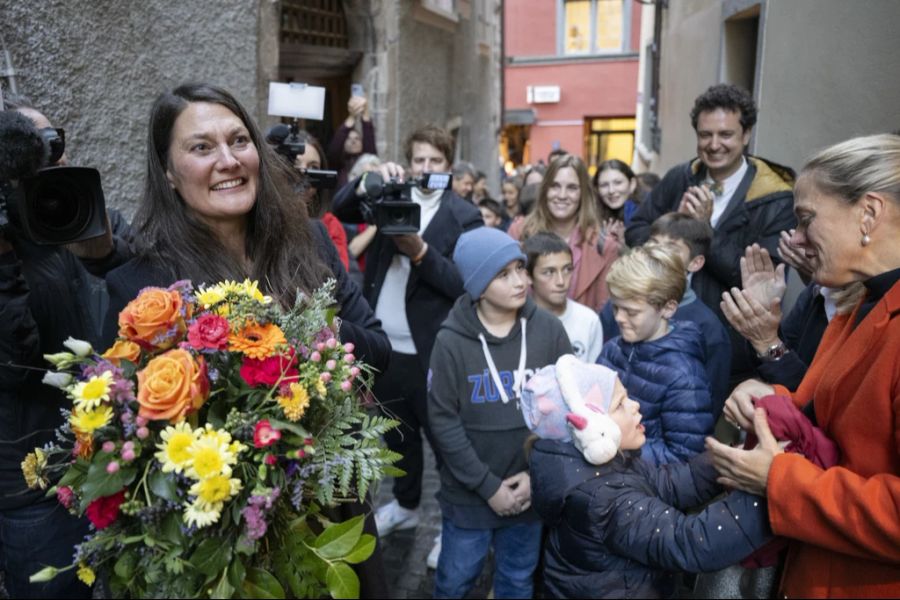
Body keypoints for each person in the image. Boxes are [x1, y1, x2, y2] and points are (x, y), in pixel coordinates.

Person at [101, 83, 391, 596]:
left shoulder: (310, 242)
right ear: (167, 172)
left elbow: (378, 349)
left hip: (333, 516)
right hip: (229, 544)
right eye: (201, 147)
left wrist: (300, 329)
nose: (228, 160)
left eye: (239, 140)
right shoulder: (141, 289)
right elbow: (135, 438)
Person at [707, 134, 900, 598]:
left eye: (806, 219)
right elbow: (826, 418)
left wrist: (779, 479)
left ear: (869, 213)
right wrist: (769, 401)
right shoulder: (860, 305)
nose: (794, 240)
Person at [0, 105, 133, 598]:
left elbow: (143, 275)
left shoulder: (75, 206)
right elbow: (14, 360)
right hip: (31, 484)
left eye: (52, 142)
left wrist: (101, 246)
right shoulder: (10, 240)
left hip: (96, 458)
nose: (45, 159)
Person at [332, 125, 483, 547]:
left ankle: (452, 522)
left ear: (448, 167)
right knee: (397, 433)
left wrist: (418, 250)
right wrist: (371, 177)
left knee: (444, 439)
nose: (425, 168)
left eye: (435, 161)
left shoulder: (463, 215)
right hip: (384, 345)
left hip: (432, 348)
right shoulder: (391, 196)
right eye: (419, 160)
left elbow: (461, 283)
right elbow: (340, 207)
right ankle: (406, 505)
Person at [525, 358, 772, 599]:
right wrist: (772, 483)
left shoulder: (604, 466)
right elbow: (689, 541)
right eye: (620, 404)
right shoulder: (604, 497)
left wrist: (730, 460)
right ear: (590, 427)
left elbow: (671, 483)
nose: (635, 405)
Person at [428, 227, 572, 598]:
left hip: (529, 490)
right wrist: (487, 486)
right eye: (503, 274)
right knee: (455, 581)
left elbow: (568, 407)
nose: (520, 281)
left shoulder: (549, 330)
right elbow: (443, 421)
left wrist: (535, 475)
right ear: (478, 286)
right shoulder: (450, 341)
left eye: (521, 269)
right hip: (469, 495)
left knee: (517, 579)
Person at [625, 84, 796, 383]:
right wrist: (670, 227)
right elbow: (636, 230)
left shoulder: (776, 197)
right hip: (665, 335)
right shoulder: (680, 177)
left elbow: (760, 282)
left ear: (746, 135)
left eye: (725, 134)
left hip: (731, 351)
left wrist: (705, 230)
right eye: (705, 135)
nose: (714, 144)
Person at [600, 213, 732, 417]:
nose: (656, 252)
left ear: (695, 263)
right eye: (652, 243)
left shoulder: (708, 328)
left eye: (671, 247)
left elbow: (705, 409)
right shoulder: (616, 307)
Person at [598, 244, 715, 465]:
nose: (619, 318)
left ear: (668, 308)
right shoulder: (613, 349)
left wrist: (617, 445)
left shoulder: (684, 376)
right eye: (615, 308)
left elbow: (686, 457)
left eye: (631, 311)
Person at [508, 154, 619, 311]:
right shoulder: (519, 233)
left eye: (572, 188)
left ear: (583, 194)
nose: (562, 195)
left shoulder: (604, 245)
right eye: (555, 186)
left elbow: (605, 310)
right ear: (545, 189)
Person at [523, 232, 603, 363]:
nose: (561, 281)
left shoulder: (589, 320)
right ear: (528, 277)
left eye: (567, 270)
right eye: (549, 272)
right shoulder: (517, 321)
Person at [290, 130, 350, 271]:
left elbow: (338, 279)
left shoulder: (330, 225)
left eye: (313, 168)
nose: (303, 174)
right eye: (295, 165)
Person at [327, 94, 377, 188]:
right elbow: (334, 150)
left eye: (357, 138)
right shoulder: (338, 166)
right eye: (349, 138)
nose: (353, 141)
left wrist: (365, 114)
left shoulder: (367, 161)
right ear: (343, 144)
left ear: (362, 143)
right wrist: (352, 117)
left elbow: (370, 146)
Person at [593, 159, 640, 226]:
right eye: (604, 185)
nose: (611, 190)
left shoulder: (643, 216)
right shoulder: (592, 216)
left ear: (632, 184)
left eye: (618, 183)